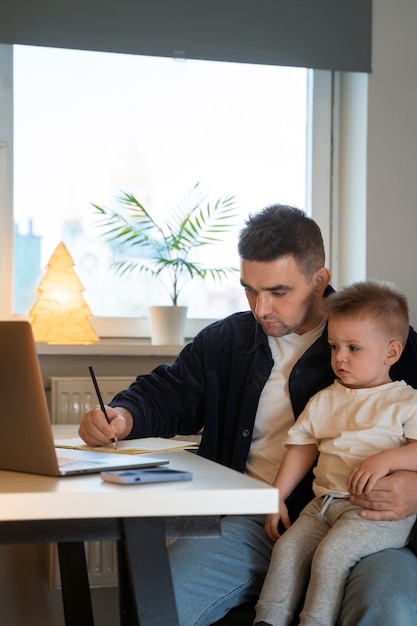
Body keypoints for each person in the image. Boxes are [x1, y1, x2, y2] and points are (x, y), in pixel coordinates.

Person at [79, 205, 417, 626]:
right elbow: (169, 391)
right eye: (250, 290)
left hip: (367, 522)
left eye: (278, 292)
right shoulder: (227, 340)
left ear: (319, 281)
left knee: (391, 605)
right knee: (159, 598)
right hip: (251, 526)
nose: (261, 308)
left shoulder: (389, 341)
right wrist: (122, 415)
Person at [254, 280, 417, 626]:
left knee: (331, 556)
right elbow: (302, 447)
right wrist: (277, 496)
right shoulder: (325, 399)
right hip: (322, 506)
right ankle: (268, 619)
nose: (339, 358)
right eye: (333, 346)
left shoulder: (407, 402)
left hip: (374, 511)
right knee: (286, 551)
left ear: (391, 353)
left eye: (353, 348)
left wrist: (388, 459)